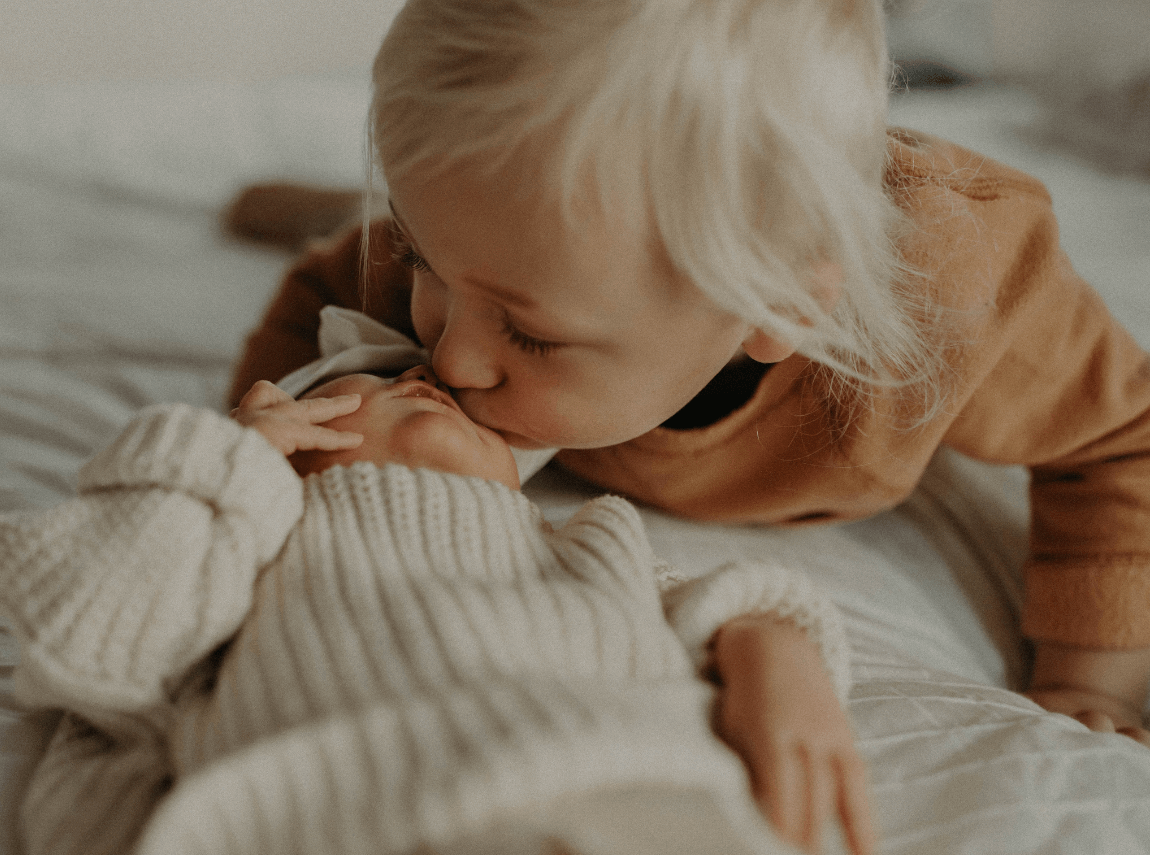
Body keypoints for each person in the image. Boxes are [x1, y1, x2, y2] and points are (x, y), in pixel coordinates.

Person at [0, 349, 1150, 855]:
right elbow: (90, 626)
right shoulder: (253, 538)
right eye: (364, 385)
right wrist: (228, 465)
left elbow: (724, 598)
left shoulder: (584, 537)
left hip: (702, 854)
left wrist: (771, 644)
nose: (417, 377)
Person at [224, 0, 1150, 753]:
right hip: (527, 228)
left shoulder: (964, 292)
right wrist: (265, 457)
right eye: (426, 259)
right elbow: (326, 294)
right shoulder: (485, 268)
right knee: (421, 243)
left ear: (782, 308)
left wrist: (1085, 674)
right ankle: (356, 207)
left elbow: (1122, 434)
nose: (452, 359)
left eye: (530, 334)